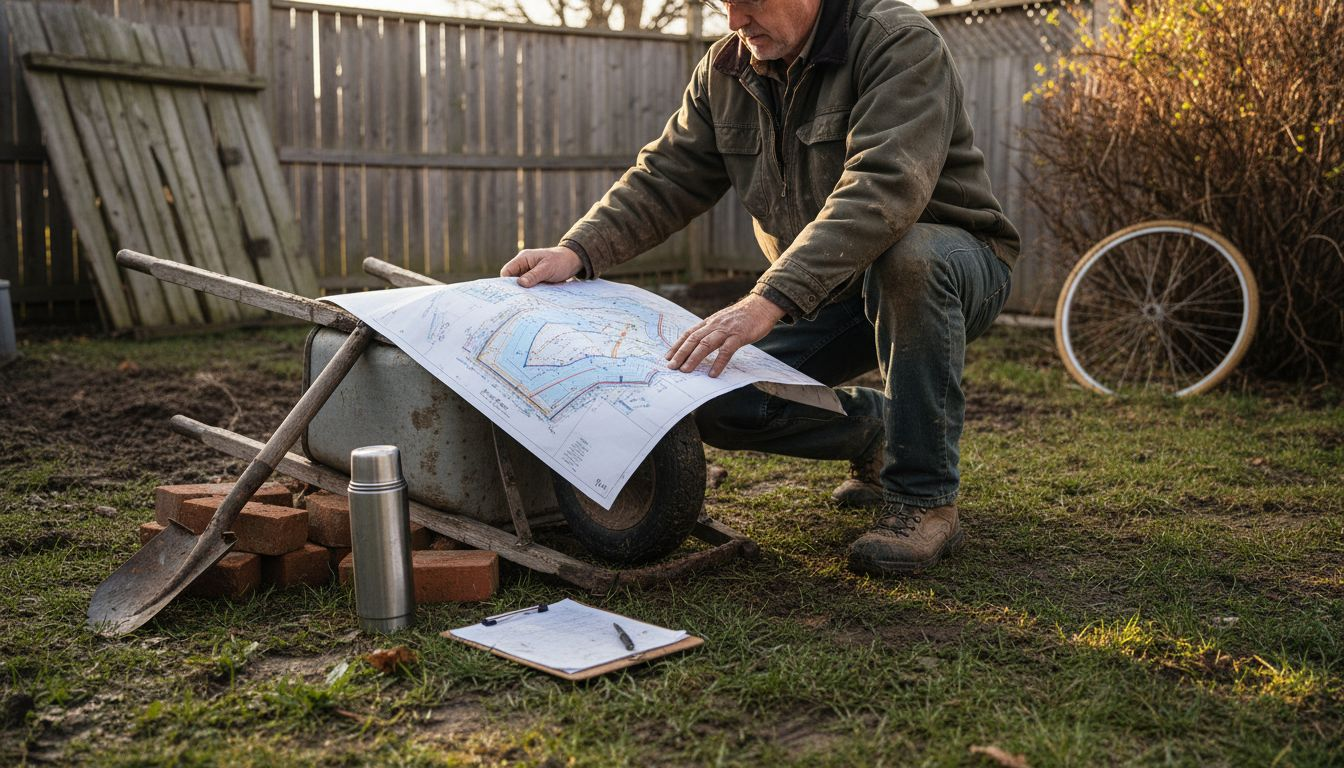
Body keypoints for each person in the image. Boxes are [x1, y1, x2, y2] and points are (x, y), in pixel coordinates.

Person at [500, 0, 1019, 576]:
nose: (734, 20)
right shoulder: (726, 71)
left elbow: (884, 187)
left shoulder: (895, 41)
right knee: (718, 399)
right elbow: (667, 176)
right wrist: (578, 251)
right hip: (824, 288)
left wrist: (764, 301)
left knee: (909, 259)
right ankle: (877, 428)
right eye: (725, 4)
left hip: (952, 266)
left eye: (749, 2)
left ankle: (923, 501)